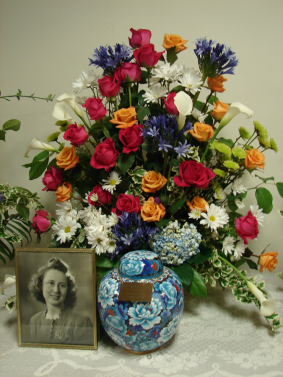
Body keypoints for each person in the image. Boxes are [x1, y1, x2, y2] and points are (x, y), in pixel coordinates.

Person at [28, 257, 93, 345]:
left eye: (62, 285)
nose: (56, 290)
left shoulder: (81, 322)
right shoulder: (35, 320)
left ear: (68, 289)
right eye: (51, 283)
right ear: (41, 285)